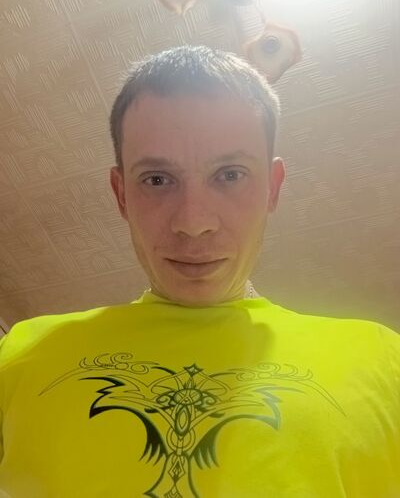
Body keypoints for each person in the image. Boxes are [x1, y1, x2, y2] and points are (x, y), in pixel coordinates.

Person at [0, 45, 398, 498]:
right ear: (122, 194)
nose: (193, 222)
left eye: (230, 175)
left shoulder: (384, 360)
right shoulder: (21, 352)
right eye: (157, 180)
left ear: (272, 189)